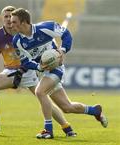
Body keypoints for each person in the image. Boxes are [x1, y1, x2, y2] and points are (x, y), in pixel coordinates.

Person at [0, 6, 77, 137]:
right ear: (2, 19)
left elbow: (29, 58)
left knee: (43, 98)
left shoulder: (23, 34)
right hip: (11, 71)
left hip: (30, 71)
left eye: (10, 17)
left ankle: (67, 127)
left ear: (18, 20)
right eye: (5, 17)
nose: (8, 20)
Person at [10, 8, 108, 139]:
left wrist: (62, 50)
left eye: (14, 22)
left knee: (40, 92)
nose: (11, 25)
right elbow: (25, 61)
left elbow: (66, 34)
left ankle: (48, 130)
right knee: (67, 107)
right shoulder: (17, 41)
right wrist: (38, 66)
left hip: (56, 68)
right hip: (42, 73)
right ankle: (94, 111)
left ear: (24, 22)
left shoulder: (46, 27)